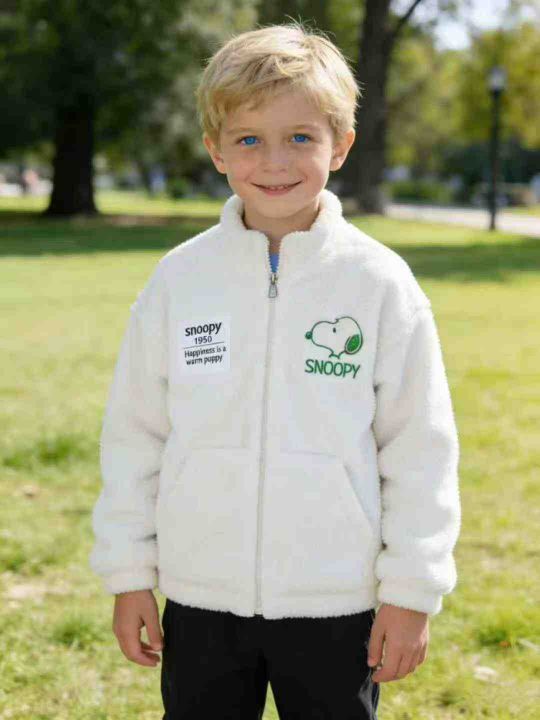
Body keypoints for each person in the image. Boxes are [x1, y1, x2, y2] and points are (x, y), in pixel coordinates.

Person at [89, 20, 461, 720]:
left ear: (340, 145)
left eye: (299, 137)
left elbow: (420, 448)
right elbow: (136, 436)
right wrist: (129, 573)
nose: (274, 161)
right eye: (248, 140)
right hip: (200, 597)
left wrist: (412, 590)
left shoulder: (380, 284)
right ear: (215, 150)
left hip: (337, 603)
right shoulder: (180, 280)